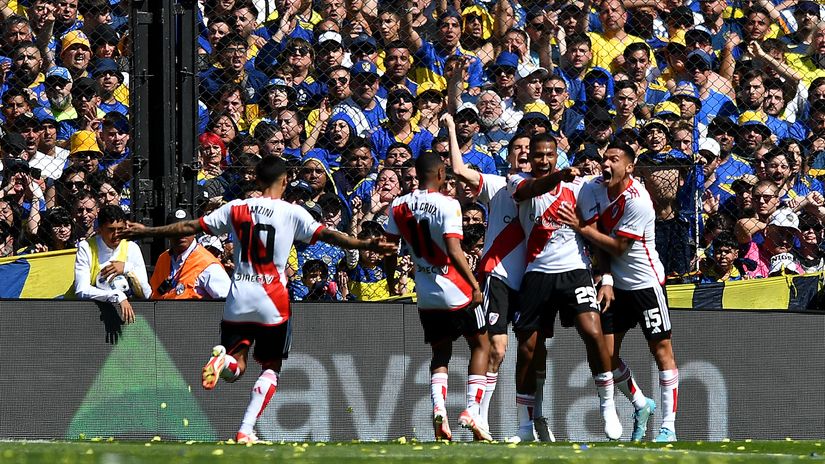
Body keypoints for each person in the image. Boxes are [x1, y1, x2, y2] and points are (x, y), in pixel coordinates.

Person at [119, 155, 396, 443]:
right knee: (271, 367)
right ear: (285, 180)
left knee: (237, 365)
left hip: (239, 295)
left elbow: (189, 228)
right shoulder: (291, 213)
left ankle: (224, 361)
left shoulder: (237, 209)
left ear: (257, 179)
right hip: (272, 298)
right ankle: (245, 429)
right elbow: (331, 236)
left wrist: (148, 231)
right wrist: (365, 243)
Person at [559, 141, 679, 443]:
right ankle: (641, 403)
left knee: (661, 351)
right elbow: (598, 241)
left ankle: (668, 427)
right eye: (605, 159)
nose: (607, 164)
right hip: (613, 286)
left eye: (615, 159)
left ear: (629, 167)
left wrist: (581, 228)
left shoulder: (638, 201)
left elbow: (618, 246)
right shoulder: (592, 188)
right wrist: (607, 278)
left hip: (645, 284)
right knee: (606, 356)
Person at [507, 133, 621, 442]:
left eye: (549, 155)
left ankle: (608, 406)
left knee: (594, 332)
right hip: (537, 274)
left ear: (557, 155)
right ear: (530, 157)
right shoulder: (517, 181)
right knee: (529, 348)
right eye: (538, 155)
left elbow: (595, 232)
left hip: (574, 272)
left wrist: (606, 277)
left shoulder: (578, 188)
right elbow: (533, 188)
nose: (543, 160)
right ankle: (524, 425)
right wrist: (560, 173)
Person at [444, 114, 539, 439]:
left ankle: (526, 425)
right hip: (497, 276)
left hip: (531, 280)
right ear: (509, 155)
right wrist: (452, 130)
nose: (524, 153)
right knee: (497, 349)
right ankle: (479, 416)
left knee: (531, 352)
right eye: (519, 148)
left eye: (529, 148)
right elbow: (458, 171)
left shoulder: (544, 189)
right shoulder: (497, 186)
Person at [383, 151, 489, 441]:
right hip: (455, 289)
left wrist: (393, 279)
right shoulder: (448, 204)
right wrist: (475, 285)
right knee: (482, 346)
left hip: (426, 292)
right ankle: (471, 410)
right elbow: (454, 251)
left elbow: (389, 248)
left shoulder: (399, 205)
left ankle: (439, 408)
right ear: (441, 174)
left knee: (440, 352)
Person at [74, 204, 151, 324]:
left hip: (129, 315)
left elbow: (146, 293)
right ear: (100, 229)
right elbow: (81, 290)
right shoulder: (86, 247)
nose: (116, 235)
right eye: (111, 230)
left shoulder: (131, 247)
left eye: (120, 229)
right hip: (92, 314)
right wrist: (117, 296)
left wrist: (126, 268)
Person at [149, 209, 231, 300]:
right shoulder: (163, 259)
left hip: (192, 313)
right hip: (161, 312)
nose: (181, 234)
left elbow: (228, 301)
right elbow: (153, 293)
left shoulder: (208, 264)